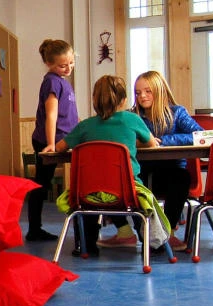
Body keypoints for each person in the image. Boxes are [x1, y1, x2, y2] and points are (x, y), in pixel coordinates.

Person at [99, 70, 202, 251]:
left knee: (182, 177)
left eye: (147, 91)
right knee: (111, 178)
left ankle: (167, 232)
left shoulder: (177, 113)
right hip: (141, 173)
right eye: (138, 93)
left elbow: (200, 135)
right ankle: (125, 231)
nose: (142, 96)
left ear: (159, 90)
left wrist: (162, 142)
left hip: (170, 173)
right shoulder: (132, 116)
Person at [55, 75, 156, 255]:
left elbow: (60, 147)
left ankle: (86, 246)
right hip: (128, 190)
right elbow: (152, 144)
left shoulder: (84, 126)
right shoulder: (132, 120)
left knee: (83, 203)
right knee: (143, 200)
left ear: (94, 100)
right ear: (124, 100)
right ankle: (152, 244)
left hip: (89, 192)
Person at [26, 38, 79, 242]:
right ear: (49, 63)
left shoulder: (62, 82)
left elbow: (69, 114)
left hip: (62, 140)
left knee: (42, 182)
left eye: (71, 63)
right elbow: (51, 115)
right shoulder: (51, 81)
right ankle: (34, 228)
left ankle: (35, 228)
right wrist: (50, 143)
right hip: (49, 140)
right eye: (62, 65)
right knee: (41, 184)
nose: (68, 68)